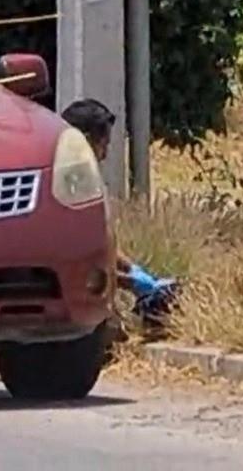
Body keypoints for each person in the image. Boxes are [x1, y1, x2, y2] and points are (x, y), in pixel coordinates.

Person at [60, 99, 178, 333]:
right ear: (83, 141)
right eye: (102, 145)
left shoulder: (86, 181)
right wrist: (131, 282)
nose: (104, 155)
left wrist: (136, 270)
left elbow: (102, 241)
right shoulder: (64, 186)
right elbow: (76, 257)